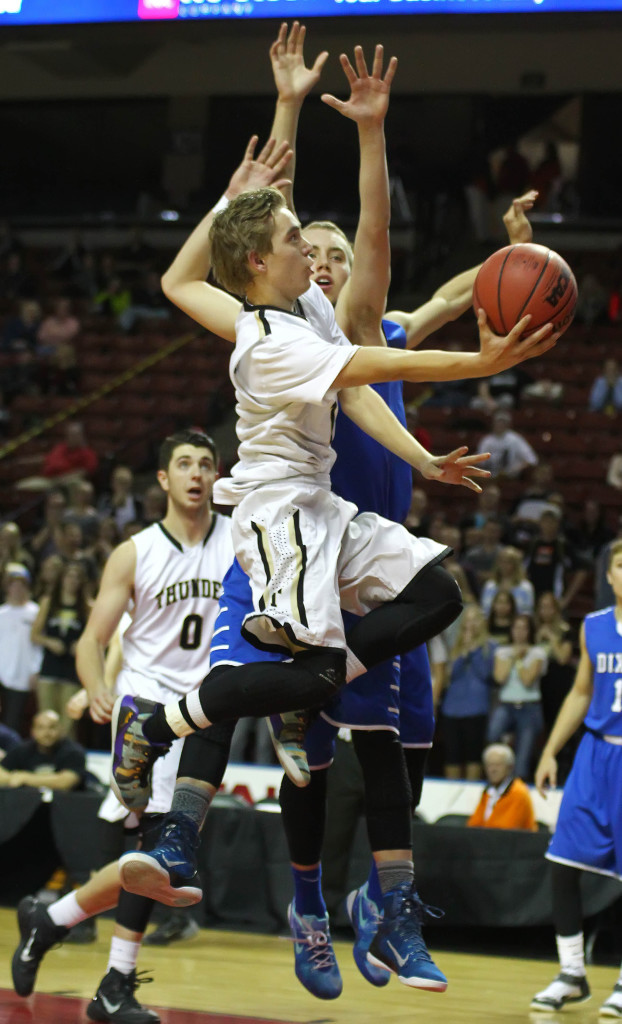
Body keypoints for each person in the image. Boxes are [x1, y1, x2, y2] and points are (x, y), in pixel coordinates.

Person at [11, 429, 234, 1024]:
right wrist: (96, 686)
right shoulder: (136, 551)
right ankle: (114, 982)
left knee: (159, 858)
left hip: (208, 707)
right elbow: (91, 640)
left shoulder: (239, 542)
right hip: (148, 709)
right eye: (183, 464)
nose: (195, 473)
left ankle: (53, 922)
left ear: (217, 476)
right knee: (159, 853)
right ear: (162, 479)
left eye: (205, 464)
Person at [530, 540, 622, 1016]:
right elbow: (582, 692)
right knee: (563, 861)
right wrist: (550, 751)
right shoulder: (594, 626)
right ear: (610, 575)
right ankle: (571, 974)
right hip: (593, 757)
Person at [435, 605, 496, 781]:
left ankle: (471, 797)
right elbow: (450, 676)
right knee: (452, 755)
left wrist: (473, 651)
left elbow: (486, 674)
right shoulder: (455, 647)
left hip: (476, 709)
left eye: (474, 619)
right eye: (467, 620)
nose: (471, 624)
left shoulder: (490, 647)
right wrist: (462, 653)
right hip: (452, 709)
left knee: (473, 755)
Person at [30, 560, 91, 737]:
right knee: (45, 718)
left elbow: (96, 637)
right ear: (62, 579)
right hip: (49, 669)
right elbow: (34, 635)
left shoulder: (86, 606)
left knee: (67, 723)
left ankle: (64, 759)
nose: (72, 581)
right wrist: (50, 642)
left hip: (72, 672)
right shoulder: (49, 602)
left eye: (76, 578)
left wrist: (81, 645)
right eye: (69, 576)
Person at [487, 613, 547, 780]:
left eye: (524, 628)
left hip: (529, 706)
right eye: (516, 627)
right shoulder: (502, 651)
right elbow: (500, 677)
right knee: (492, 735)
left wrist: (519, 660)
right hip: (506, 705)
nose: (519, 632)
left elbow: (527, 680)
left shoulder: (538, 652)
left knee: (523, 754)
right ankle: (498, 775)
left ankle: (517, 786)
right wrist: (514, 655)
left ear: (529, 631)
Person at [0, 564, 42, 735]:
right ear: (7, 587)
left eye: (21, 584)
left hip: (24, 674)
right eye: (13, 584)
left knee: (14, 720)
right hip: (2, 673)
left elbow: (39, 644)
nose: (17, 589)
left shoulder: (35, 612)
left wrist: (36, 669)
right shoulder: (1, 613)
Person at [0, 709, 85, 792]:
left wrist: (25, 778)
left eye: (52, 727)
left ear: (61, 729)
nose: (46, 733)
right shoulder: (23, 749)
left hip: (65, 803)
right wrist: (15, 778)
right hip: (27, 802)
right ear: (33, 731)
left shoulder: (73, 752)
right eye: (41, 728)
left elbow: (66, 782)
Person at [467, 742, 536, 831]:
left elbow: (507, 829)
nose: (493, 769)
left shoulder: (519, 793)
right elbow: (473, 824)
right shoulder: (488, 791)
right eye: (489, 765)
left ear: (509, 767)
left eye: (498, 765)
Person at [476, 409, 538, 479]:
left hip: (510, 479)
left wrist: (513, 470)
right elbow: (479, 461)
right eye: (498, 422)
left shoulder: (515, 439)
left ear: (508, 424)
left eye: (503, 422)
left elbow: (532, 460)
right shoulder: (487, 440)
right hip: (489, 478)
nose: (500, 425)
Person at [480, 546, 535, 616]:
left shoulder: (525, 587)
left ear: (516, 565)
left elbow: (528, 613)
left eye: (508, 562)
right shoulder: (489, 586)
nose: (504, 565)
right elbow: (484, 611)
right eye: (502, 562)